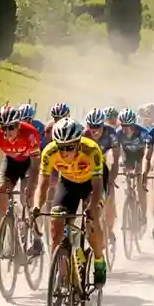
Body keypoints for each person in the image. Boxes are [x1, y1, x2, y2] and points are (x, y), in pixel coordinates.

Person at [36, 118, 108, 286]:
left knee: (92, 220)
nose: (64, 152)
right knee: (55, 224)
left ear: (78, 143)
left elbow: (98, 187)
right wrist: (37, 206)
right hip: (69, 183)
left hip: (92, 183)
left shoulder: (91, 150)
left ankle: (99, 261)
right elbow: (42, 184)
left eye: (69, 147)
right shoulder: (49, 152)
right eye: (61, 147)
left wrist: (91, 207)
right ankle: (62, 274)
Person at [0, 105, 43, 250]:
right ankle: (8, 237)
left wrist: (31, 187)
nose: (7, 132)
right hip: (10, 164)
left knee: (27, 199)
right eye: (4, 128)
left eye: (11, 127)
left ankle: (36, 236)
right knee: (1, 193)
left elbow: (35, 167)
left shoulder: (30, 133)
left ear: (18, 125)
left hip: (29, 164)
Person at [83, 108, 120, 250]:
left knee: (108, 196)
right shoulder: (84, 135)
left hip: (102, 166)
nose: (95, 130)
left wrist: (112, 178)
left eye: (98, 126)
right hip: (86, 166)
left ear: (103, 124)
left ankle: (109, 230)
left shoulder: (111, 133)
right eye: (91, 126)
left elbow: (116, 158)